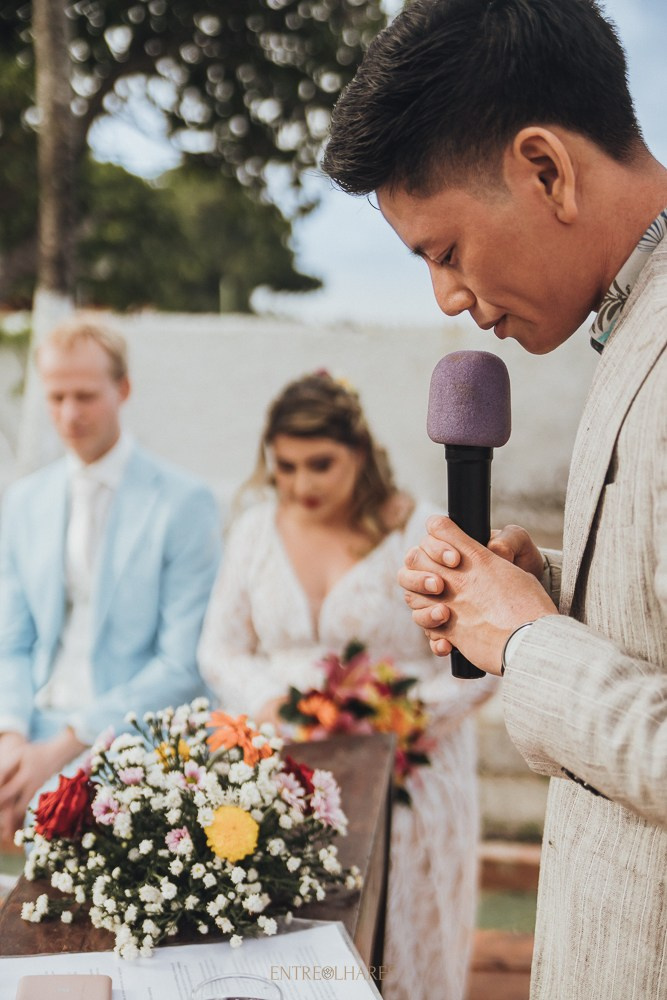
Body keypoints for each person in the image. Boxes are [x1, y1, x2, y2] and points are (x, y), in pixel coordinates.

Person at [321, 2, 667, 999]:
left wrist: (523, 642)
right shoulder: (627, 324)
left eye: (443, 250)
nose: (444, 299)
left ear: (545, 169)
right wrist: (544, 586)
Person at [198, 372, 495, 1000]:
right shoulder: (255, 531)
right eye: (285, 466)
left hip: (408, 776)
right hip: (287, 767)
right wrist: (274, 704)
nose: (300, 484)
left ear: (358, 453)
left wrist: (390, 715)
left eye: (320, 464)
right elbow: (220, 648)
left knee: (400, 947)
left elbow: (478, 664)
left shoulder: (421, 532)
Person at [0, 314, 221, 842]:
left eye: (85, 395)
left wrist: (62, 748)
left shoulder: (184, 502)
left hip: (128, 732)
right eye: (55, 398)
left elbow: (182, 663)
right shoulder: (24, 500)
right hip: (30, 722)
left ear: (122, 389)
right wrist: (11, 738)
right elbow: (13, 641)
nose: (69, 414)